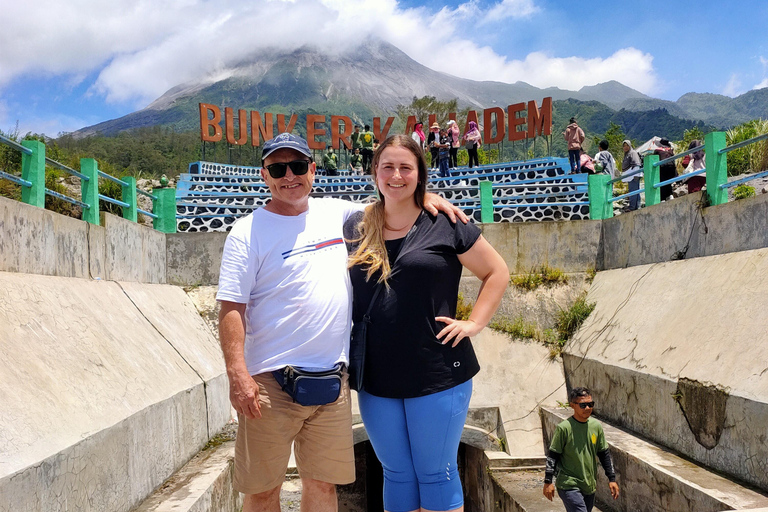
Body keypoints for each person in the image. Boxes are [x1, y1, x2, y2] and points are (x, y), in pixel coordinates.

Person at [217, 132, 467, 512]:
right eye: (278, 168)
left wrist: (424, 198)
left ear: (313, 170)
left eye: (298, 166)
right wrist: (238, 374)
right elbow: (231, 308)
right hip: (269, 383)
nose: (289, 176)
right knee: (263, 490)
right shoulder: (246, 232)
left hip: (332, 383)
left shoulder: (340, 214)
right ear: (264, 174)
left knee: (323, 487)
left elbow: (393, 201)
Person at [345, 134, 509, 512]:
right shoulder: (355, 226)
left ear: (420, 174)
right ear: (375, 172)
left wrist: (474, 323)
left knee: (437, 472)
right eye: (388, 167)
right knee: (396, 472)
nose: (397, 175)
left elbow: (496, 271)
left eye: (407, 167)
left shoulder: (445, 223)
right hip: (376, 373)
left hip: (437, 369)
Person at [543, 387, 620, 512]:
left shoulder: (596, 426)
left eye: (591, 404)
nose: (588, 408)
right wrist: (548, 481)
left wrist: (612, 479)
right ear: (572, 405)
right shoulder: (564, 428)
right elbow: (553, 455)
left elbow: (604, 454)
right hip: (568, 484)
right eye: (583, 405)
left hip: (588, 485)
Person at [621, 140, 642, 211]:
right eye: (624, 146)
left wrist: (635, 175)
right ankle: (637, 206)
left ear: (630, 146)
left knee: (633, 191)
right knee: (635, 190)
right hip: (631, 176)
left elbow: (636, 164)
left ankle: (632, 207)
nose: (625, 147)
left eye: (627, 145)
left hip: (634, 175)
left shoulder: (633, 153)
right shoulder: (627, 154)